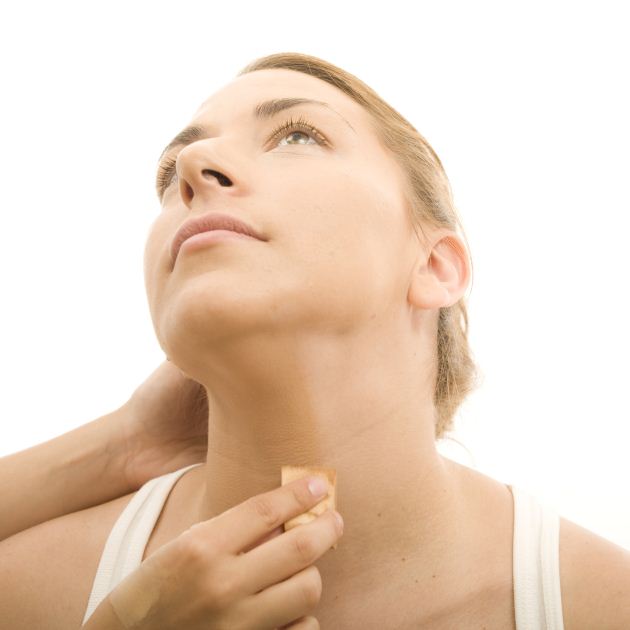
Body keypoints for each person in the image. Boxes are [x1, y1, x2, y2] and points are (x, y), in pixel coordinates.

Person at [1, 51, 629, 630]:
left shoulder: (605, 605)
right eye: (170, 172)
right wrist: (125, 443)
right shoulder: (28, 592)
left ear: (436, 266)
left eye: (297, 135)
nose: (192, 168)